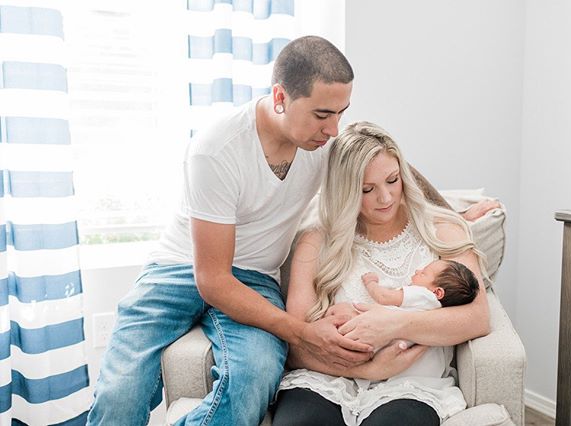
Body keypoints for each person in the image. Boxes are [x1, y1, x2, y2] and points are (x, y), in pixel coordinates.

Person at [87, 36, 375, 426]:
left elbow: (383, 162)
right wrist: (303, 333)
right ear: (280, 98)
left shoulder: (323, 142)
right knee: (120, 393)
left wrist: (455, 208)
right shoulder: (217, 149)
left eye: (341, 113)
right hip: (179, 269)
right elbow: (213, 280)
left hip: (255, 277)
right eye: (323, 114)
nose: (334, 130)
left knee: (253, 379)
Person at [272, 121, 491, 426]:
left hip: (411, 386)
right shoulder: (317, 241)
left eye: (392, 180)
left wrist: (392, 324)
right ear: (345, 190)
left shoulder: (442, 231)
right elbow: (295, 343)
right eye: (367, 189)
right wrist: (368, 370)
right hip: (327, 379)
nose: (386, 198)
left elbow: (477, 317)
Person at [361, 258, 479, 309]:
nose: (417, 271)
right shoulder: (434, 307)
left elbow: (384, 297)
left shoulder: (424, 296)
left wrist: (371, 282)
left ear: (437, 292)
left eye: (423, 273)